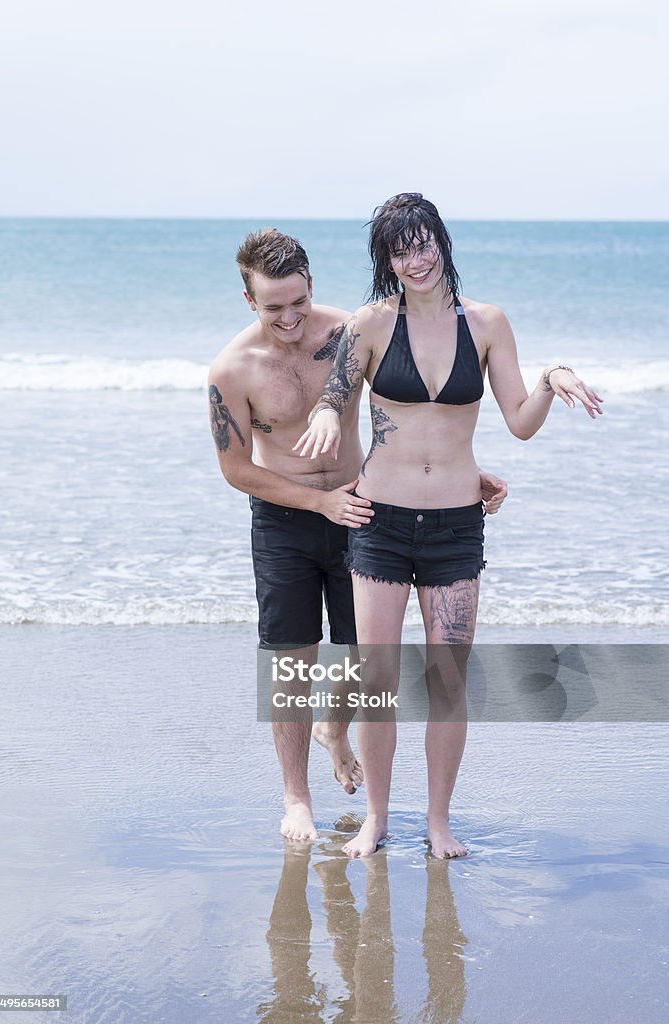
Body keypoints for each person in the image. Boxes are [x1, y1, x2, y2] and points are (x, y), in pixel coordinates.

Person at [295, 193, 603, 859]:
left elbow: (518, 421)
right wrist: (326, 419)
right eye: (400, 249)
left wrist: (551, 377)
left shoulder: (486, 324)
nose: (416, 258)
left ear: (442, 241)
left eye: (423, 242)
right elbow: (335, 396)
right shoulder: (372, 324)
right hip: (380, 525)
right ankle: (377, 818)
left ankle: (437, 821)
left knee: (447, 683)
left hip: (456, 529)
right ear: (388, 261)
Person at [208, 226, 508, 844]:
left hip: (364, 509)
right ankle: (296, 797)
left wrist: (457, 473)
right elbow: (237, 469)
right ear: (249, 302)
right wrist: (317, 501)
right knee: (292, 663)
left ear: (311, 285)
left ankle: (336, 732)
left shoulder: (352, 330)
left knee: (362, 664)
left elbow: (407, 412)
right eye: (274, 308)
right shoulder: (233, 367)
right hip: (286, 517)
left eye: (298, 301)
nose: (290, 318)